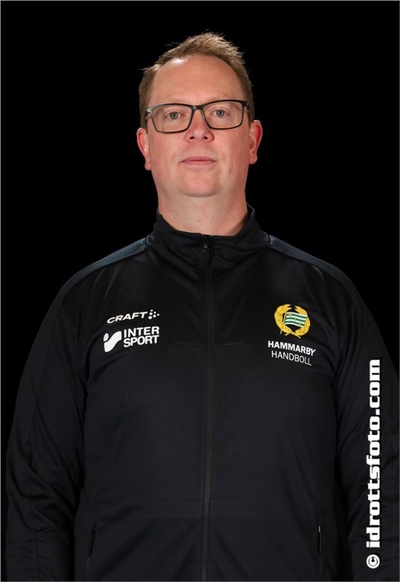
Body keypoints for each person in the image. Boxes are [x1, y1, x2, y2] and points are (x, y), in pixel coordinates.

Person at [5, 31, 399, 582]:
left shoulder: (332, 300)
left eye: (220, 111)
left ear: (253, 139)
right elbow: (35, 496)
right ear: (145, 145)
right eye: (173, 115)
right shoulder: (85, 303)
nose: (198, 129)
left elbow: (383, 489)